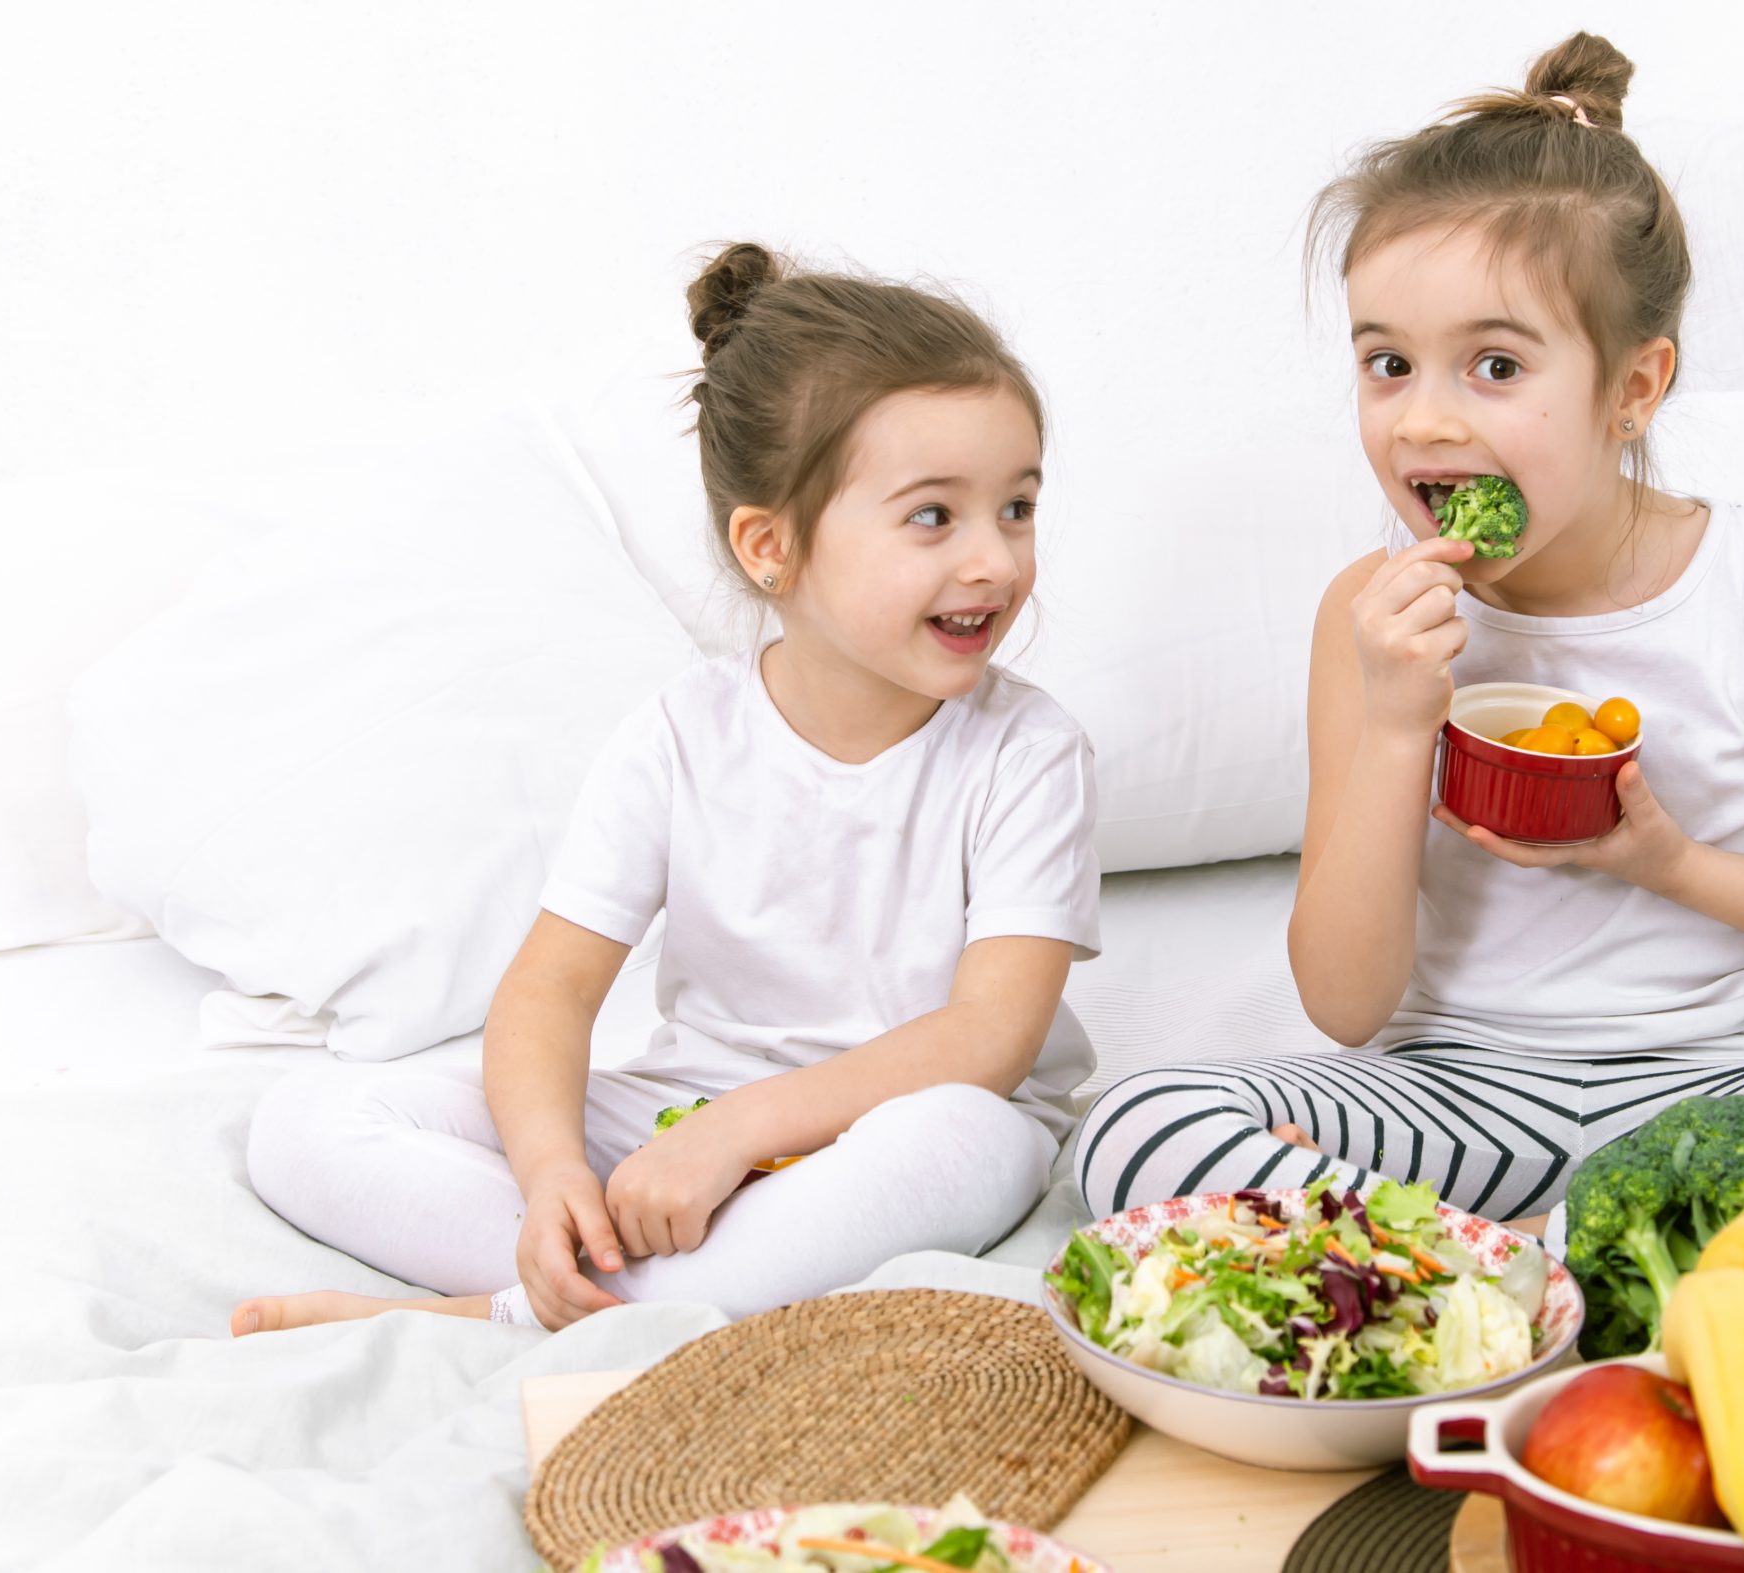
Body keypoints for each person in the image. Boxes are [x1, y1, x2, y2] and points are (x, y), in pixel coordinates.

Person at [1076, 34, 1744, 1236]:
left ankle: (1470, 1273)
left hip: (1724, 1082)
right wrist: (1398, 724)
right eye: (1387, 363)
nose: (1424, 418)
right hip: (1449, 1093)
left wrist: (1672, 866)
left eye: (1494, 364)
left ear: (1631, 390)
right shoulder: (1367, 615)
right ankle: (1602, 1262)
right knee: (1139, 1125)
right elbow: (1343, 1004)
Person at [233, 243, 1097, 1333]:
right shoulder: (680, 737)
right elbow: (548, 993)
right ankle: (582, 1262)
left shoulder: (1028, 754)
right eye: (935, 516)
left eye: (1016, 507)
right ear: (769, 545)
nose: (996, 561)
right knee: (305, 1123)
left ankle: (500, 1312)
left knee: (963, 1140)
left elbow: (988, 1037)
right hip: (679, 1125)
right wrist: (553, 1174)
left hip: (895, 1128)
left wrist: (737, 1136)